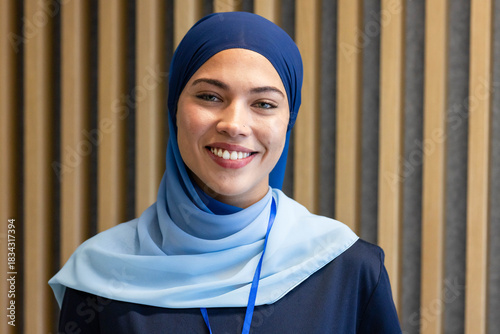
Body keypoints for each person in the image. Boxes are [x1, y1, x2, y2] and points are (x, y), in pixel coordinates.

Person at [50, 11, 401, 333]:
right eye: (210, 97)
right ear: (174, 109)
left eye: (264, 104)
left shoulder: (347, 268)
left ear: (288, 122)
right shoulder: (100, 277)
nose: (234, 124)